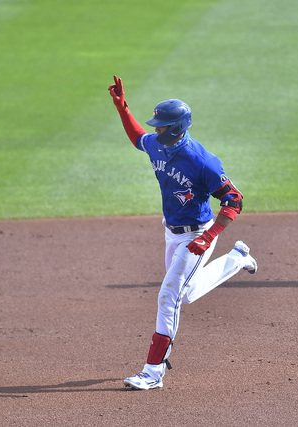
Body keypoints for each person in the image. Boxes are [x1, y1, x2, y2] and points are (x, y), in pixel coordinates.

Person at [108, 75, 258, 390]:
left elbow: (234, 200)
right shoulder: (157, 145)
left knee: (168, 297)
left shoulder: (202, 161)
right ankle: (237, 258)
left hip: (197, 235)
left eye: (160, 126)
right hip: (172, 233)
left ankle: (152, 373)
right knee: (184, 295)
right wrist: (122, 107)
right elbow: (138, 137)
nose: (154, 129)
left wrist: (210, 236)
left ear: (176, 129)